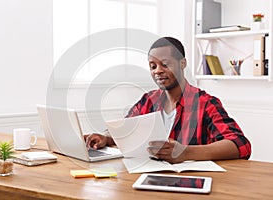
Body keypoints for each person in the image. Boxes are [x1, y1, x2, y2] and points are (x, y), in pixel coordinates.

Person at [85, 37, 251, 164]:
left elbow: (240, 144)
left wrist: (185, 153)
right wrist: (105, 138)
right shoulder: (148, 100)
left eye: (165, 64)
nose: (158, 71)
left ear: (182, 63)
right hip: (148, 179)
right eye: (153, 66)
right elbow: (126, 130)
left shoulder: (205, 103)